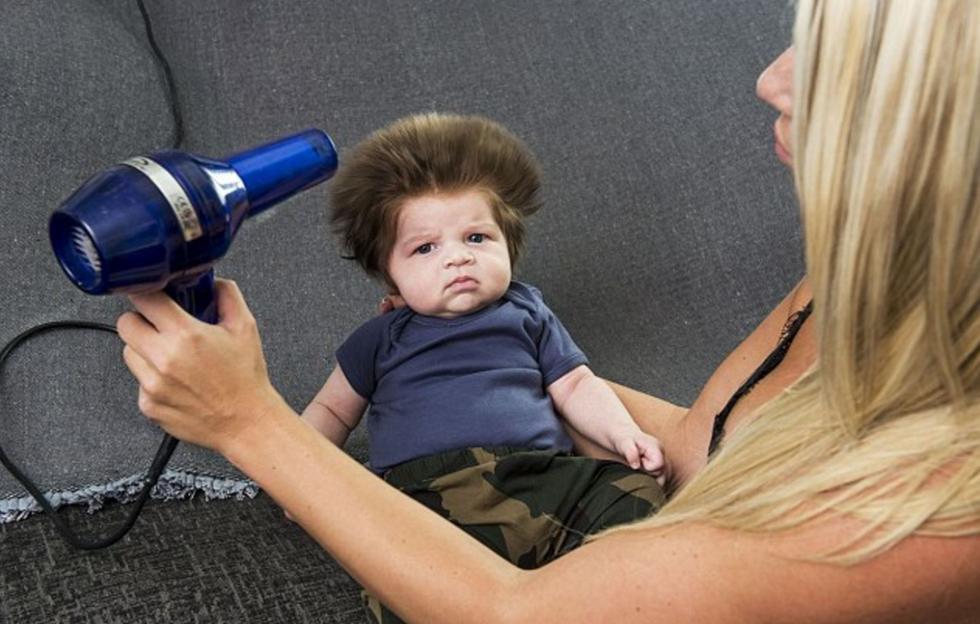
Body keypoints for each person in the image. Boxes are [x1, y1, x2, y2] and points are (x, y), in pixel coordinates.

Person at [116, 0, 980, 621]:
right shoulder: (864, 279)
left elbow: (524, 614)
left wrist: (248, 423)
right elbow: (699, 453)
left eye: (845, 65)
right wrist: (492, 371)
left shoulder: (947, 504)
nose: (772, 79)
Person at [305, 113, 666, 620]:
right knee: (402, 575)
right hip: (423, 498)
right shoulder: (381, 339)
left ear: (508, 244)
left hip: (542, 475)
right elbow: (331, 410)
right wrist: (303, 479)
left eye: (476, 238)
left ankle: (576, 597)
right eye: (425, 248)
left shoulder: (527, 313)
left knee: (637, 494)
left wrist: (625, 434)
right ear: (391, 276)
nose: (457, 258)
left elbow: (575, 384)